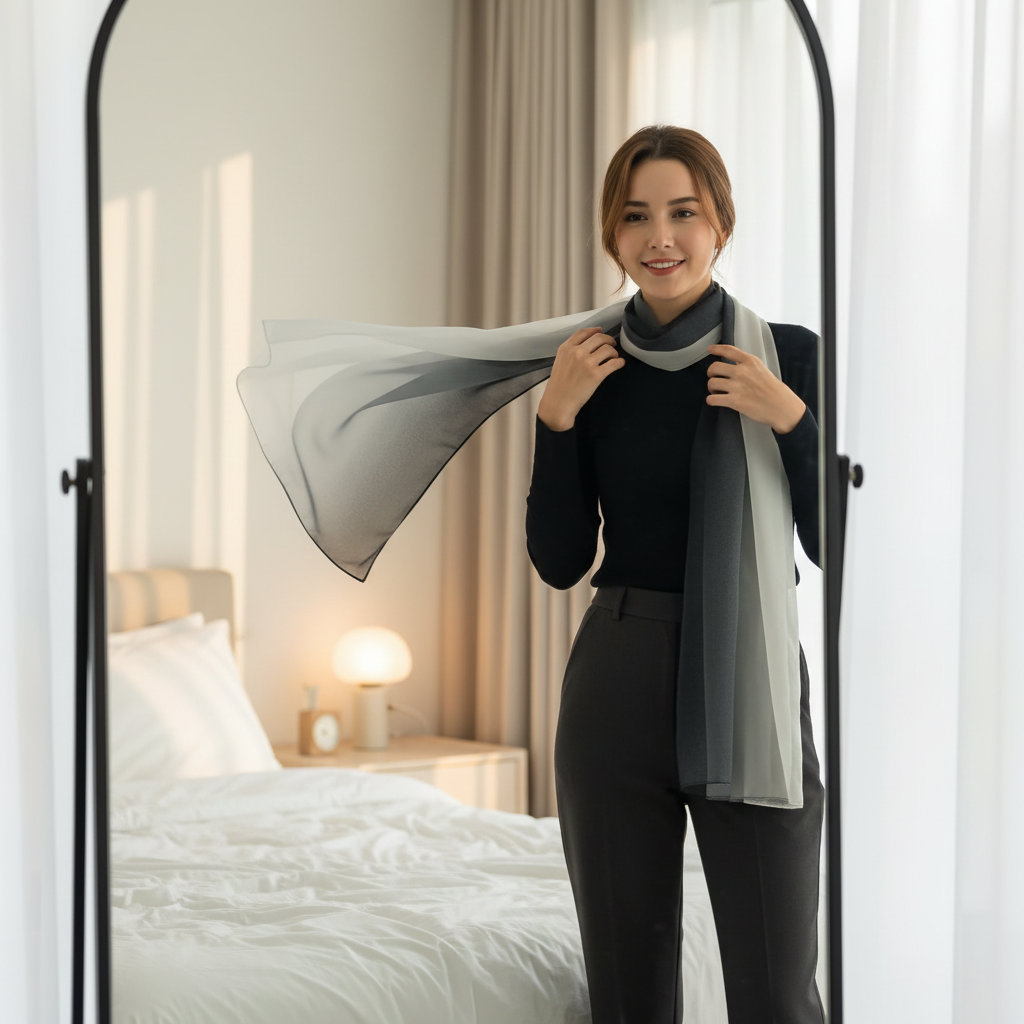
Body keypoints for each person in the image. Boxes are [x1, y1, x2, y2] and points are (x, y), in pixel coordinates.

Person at [526, 125, 825, 1024]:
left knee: (776, 991)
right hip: (619, 672)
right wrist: (557, 420)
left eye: (683, 213)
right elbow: (559, 560)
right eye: (636, 216)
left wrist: (793, 422)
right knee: (629, 992)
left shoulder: (787, 353)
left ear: (720, 224)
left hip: (752, 677)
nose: (661, 236)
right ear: (612, 237)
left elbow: (838, 543)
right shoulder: (588, 364)